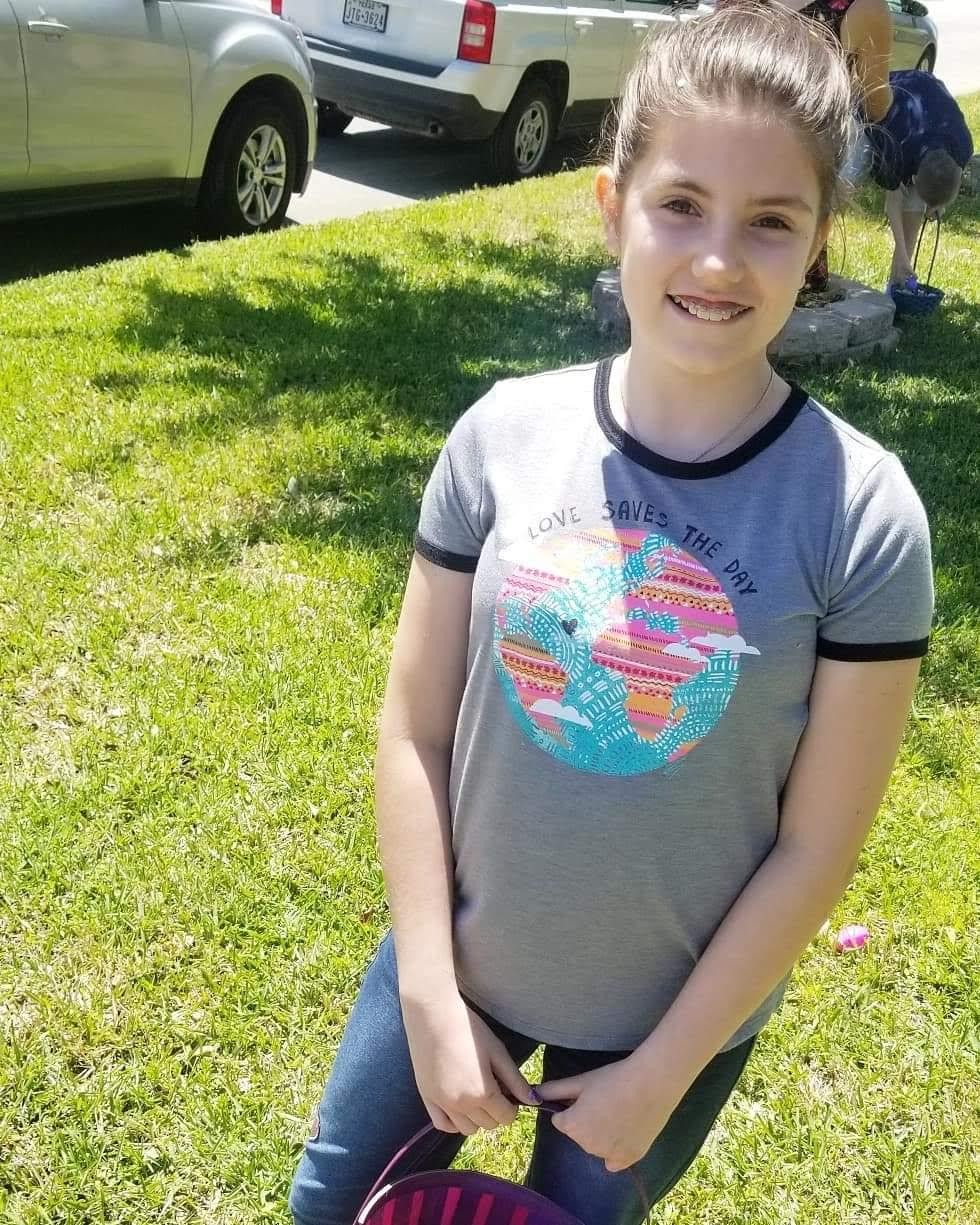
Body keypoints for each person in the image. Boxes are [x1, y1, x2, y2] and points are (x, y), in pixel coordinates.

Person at [288, 5, 934, 1224]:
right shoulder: (499, 436)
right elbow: (412, 728)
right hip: (458, 960)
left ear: (816, 246)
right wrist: (427, 986)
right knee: (331, 1200)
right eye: (679, 204)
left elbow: (814, 846)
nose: (716, 261)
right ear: (610, 207)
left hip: (665, 1021)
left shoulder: (860, 513)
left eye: (769, 221)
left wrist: (664, 1067)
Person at [864, 69, 975, 291]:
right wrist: (901, 251)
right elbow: (892, 203)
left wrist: (936, 204)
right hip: (880, 101)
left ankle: (899, 279)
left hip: (929, 95)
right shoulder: (897, 149)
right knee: (905, 196)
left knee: (916, 199)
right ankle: (902, 264)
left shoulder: (963, 145)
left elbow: (944, 179)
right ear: (913, 177)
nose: (930, 213)